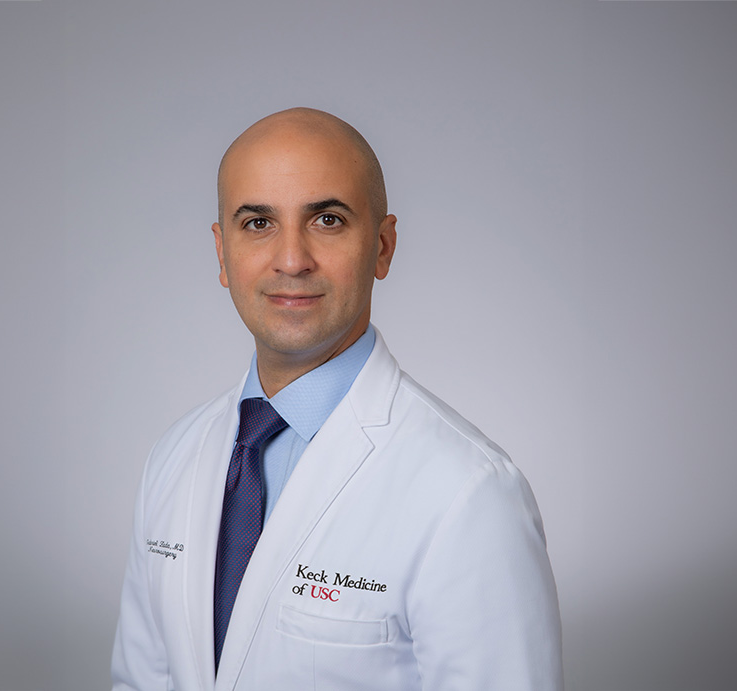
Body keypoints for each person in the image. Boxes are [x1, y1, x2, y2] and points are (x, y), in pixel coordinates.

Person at [111, 107, 563, 690]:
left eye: (327, 220)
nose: (292, 260)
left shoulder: (470, 493)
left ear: (383, 246)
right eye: (258, 223)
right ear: (222, 253)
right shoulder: (173, 458)